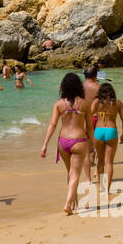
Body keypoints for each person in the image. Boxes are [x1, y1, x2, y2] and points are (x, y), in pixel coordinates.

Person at [40, 73, 92, 215]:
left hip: (62, 142)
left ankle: (74, 203)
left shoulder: (58, 104)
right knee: (75, 175)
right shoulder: (85, 104)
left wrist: (45, 145)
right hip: (79, 140)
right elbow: (90, 127)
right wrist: (92, 144)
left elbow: (52, 124)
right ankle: (68, 204)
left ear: (63, 87)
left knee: (70, 173)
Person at [87, 82, 123, 193]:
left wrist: (89, 134)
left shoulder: (96, 102)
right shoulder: (118, 103)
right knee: (109, 162)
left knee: (100, 161)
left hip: (99, 131)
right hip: (111, 131)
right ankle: (107, 189)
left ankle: (100, 186)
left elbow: (89, 118)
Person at [83, 64, 102, 181]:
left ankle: (87, 179)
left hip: (82, 119)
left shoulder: (79, 87)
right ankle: (97, 172)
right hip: (95, 118)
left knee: (86, 149)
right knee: (98, 147)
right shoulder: (98, 88)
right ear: (96, 75)